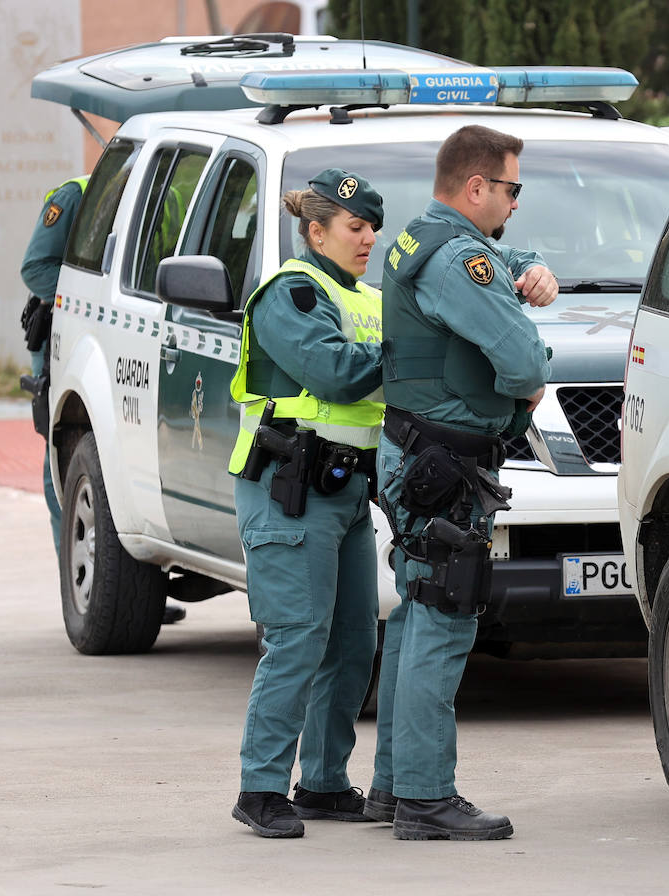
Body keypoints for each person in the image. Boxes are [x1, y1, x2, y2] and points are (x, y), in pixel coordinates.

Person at [365, 125, 558, 842]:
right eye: (511, 190)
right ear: (476, 188)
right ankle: (425, 798)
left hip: (418, 454)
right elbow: (525, 364)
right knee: (444, 621)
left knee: (418, 613)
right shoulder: (459, 261)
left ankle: (393, 788)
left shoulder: (426, 238)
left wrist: (534, 268)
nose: (515, 203)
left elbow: (500, 261)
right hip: (444, 465)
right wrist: (522, 397)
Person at [226, 168, 388, 839]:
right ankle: (260, 788)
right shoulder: (291, 292)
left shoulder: (368, 299)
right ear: (316, 230)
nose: (368, 238)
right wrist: (409, 352)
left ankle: (322, 783)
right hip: (288, 488)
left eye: (374, 227)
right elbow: (337, 372)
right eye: (355, 227)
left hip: (345, 489)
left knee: (354, 640)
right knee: (296, 638)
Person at [20, 177, 188, 626]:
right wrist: (89, 299)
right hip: (71, 337)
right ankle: (86, 592)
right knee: (72, 463)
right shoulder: (75, 194)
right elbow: (36, 268)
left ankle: (127, 585)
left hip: (129, 336)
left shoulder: (168, 194)